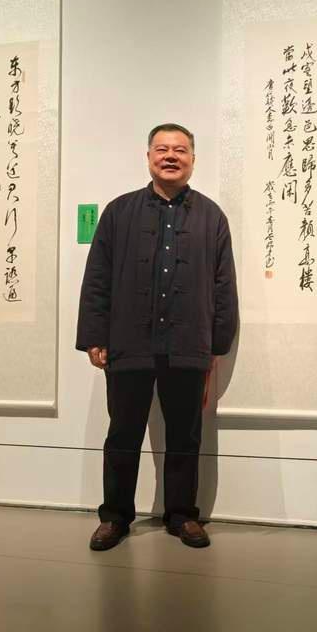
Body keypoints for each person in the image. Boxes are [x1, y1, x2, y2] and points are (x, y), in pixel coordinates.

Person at [77, 123, 238, 551]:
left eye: (180, 150)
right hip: (128, 342)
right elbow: (97, 277)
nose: (171, 156)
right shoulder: (119, 212)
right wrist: (95, 335)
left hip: (188, 344)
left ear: (192, 159)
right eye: (162, 149)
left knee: (185, 435)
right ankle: (115, 517)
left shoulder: (211, 216)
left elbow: (224, 285)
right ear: (148, 156)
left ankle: (182, 515)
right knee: (123, 433)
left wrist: (216, 344)